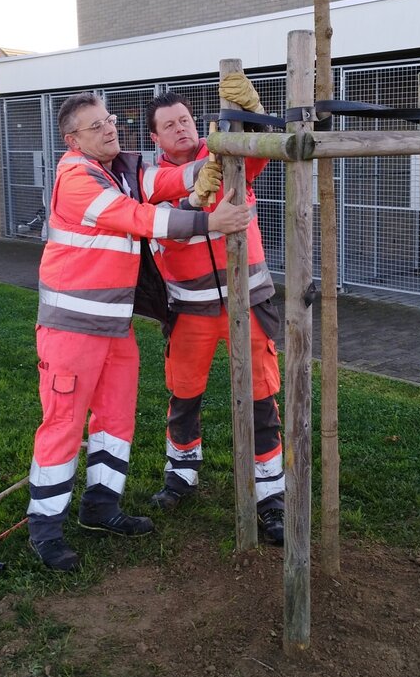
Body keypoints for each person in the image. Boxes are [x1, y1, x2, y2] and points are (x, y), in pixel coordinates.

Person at [27, 91, 252, 572]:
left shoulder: (121, 171)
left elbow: (164, 178)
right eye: (95, 126)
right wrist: (208, 218)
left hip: (114, 327)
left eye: (108, 119)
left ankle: (100, 508)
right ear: (73, 141)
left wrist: (211, 157)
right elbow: (139, 218)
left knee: (114, 421)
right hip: (72, 331)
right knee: (63, 425)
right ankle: (45, 529)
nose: (109, 128)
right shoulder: (77, 177)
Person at [145, 73, 286, 545]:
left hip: (250, 304)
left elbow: (264, 148)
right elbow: (164, 222)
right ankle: (181, 476)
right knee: (184, 398)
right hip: (190, 313)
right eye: (170, 125)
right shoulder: (151, 182)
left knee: (262, 400)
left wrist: (251, 118)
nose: (181, 129)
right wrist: (195, 202)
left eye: (185, 120)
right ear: (155, 137)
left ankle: (271, 499)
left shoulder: (227, 159)